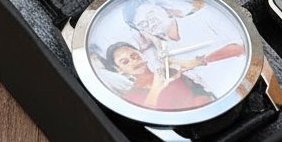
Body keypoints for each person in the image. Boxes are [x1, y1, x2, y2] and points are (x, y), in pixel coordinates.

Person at [101, 41, 245, 110]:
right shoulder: (130, 97)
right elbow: (145, 115)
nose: (133, 61)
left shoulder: (169, 69)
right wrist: (155, 89)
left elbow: (236, 49)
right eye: (125, 62)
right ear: (119, 69)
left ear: (141, 53)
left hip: (218, 110)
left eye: (134, 55)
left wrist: (191, 62)